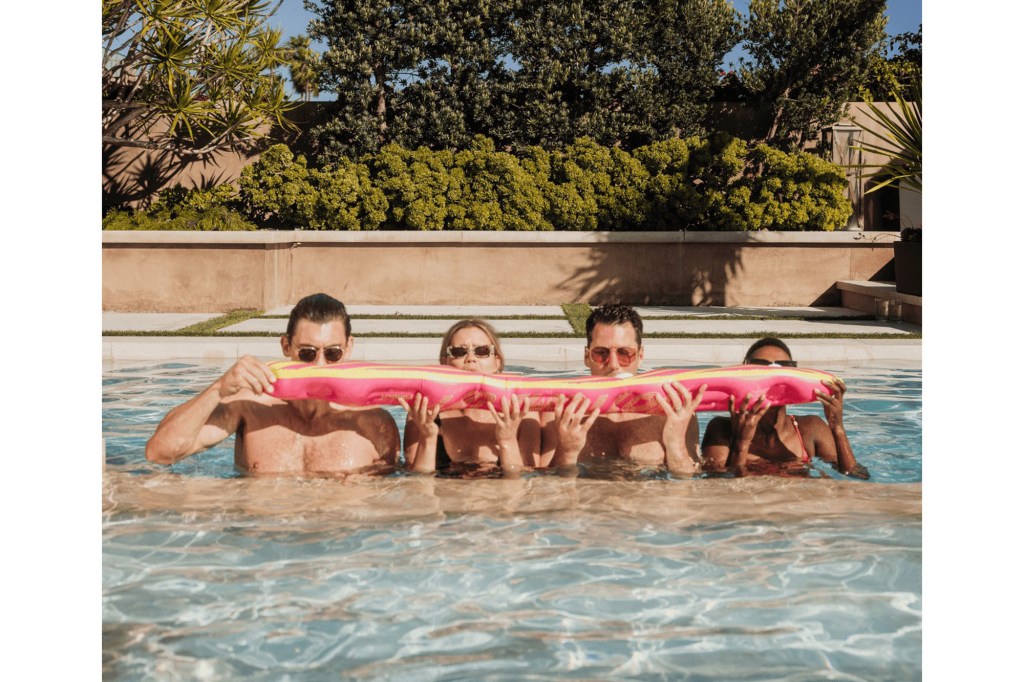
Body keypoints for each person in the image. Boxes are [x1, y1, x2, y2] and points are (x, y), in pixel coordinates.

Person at [145, 293, 400, 475]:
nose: (320, 365)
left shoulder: (373, 422)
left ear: (349, 347)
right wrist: (218, 390)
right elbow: (160, 453)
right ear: (286, 346)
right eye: (308, 352)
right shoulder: (250, 407)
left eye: (332, 353)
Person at [546, 304, 704, 475]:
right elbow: (543, 489)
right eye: (601, 353)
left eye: (624, 353)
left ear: (640, 356)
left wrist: (676, 445)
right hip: (587, 500)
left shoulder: (673, 414)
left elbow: (688, 487)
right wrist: (566, 451)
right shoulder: (560, 414)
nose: (613, 365)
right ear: (587, 357)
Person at [700, 337, 869, 478]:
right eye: (761, 367)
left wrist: (837, 427)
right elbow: (720, 491)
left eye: (783, 367)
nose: (773, 376)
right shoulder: (722, 429)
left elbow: (855, 476)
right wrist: (741, 443)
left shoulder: (811, 428)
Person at [400, 319, 540, 474]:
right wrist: (428, 437)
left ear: (497, 362)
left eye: (482, 351)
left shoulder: (522, 412)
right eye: (459, 352)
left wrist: (508, 440)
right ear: (444, 362)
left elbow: (525, 483)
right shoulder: (423, 412)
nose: (471, 358)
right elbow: (416, 484)